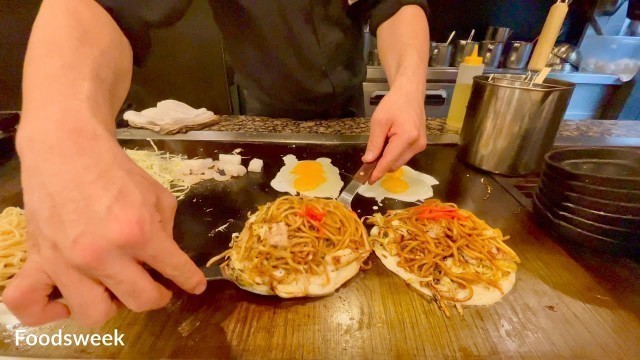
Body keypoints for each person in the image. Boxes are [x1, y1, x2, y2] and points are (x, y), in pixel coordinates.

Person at [3, 0, 430, 327]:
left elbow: (395, 4)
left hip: (353, 111)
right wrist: (63, 130)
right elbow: (98, 7)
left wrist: (409, 88)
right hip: (264, 104)